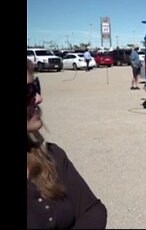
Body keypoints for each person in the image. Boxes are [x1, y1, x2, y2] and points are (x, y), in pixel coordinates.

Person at [27, 59, 107, 229]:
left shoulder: (52, 156)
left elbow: (94, 210)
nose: (39, 98)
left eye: (37, 87)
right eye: (28, 91)